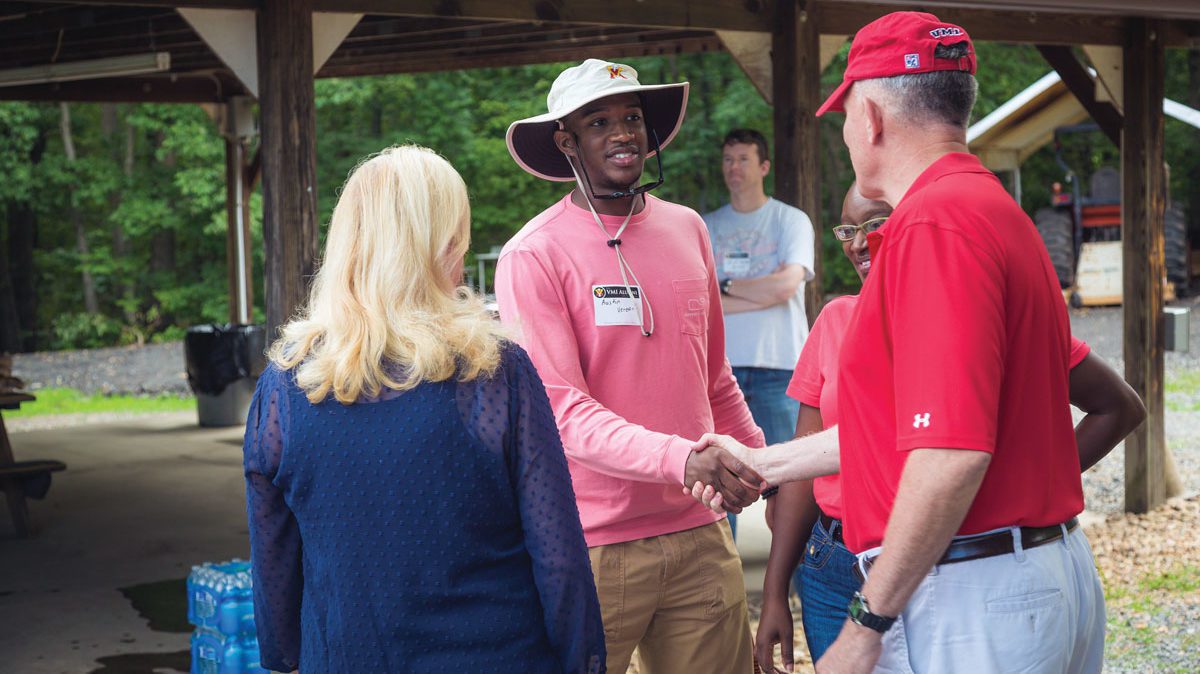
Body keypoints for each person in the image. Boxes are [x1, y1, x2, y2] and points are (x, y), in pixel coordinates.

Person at [693, 12, 1133, 673]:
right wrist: (764, 463)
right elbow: (905, 428)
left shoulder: (934, 224)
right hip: (1021, 571)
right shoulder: (986, 207)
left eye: (842, 117)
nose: (844, 134)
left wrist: (868, 620)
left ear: (869, 116)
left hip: (973, 591)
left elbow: (949, 454)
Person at [745, 184, 1146, 671]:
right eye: (848, 230)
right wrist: (775, 591)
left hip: (940, 555)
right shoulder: (836, 320)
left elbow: (1119, 407)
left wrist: (1024, 487)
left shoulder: (970, 315)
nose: (857, 243)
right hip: (837, 559)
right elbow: (817, 462)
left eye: (875, 224)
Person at [242, 145, 605, 674]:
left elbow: (272, 558)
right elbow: (558, 553)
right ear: (440, 244)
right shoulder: (494, 372)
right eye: (459, 235)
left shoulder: (284, 388)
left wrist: (284, 657)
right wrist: (585, 661)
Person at [495, 59, 766, 674]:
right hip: (595, 541)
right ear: (566, 142)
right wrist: (682, 459)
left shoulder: (688, 228)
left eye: (632, 118)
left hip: (701, 529)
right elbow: (562, 412)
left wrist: (763, 467)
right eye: (599, 122)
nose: (622, 133)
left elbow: (714, 376)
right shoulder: (533, 254)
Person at [703, 129, 815, 537]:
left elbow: (787, 286)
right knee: (718, 484)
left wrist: (726, 287)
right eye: (728, 159)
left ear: (763, 167)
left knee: (793, 484)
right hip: (720, 372)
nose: (734, 168)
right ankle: (723, 590)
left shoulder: (790, 220)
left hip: (779, 368)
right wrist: (761, 291)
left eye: (743, 159)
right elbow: (700, 298)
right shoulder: (705, 225)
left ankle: (804, 590)